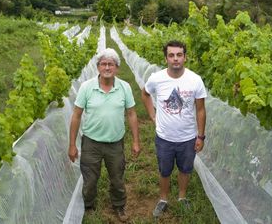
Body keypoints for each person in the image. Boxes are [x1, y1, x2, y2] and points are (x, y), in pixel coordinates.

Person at [68, 48, 140, 222]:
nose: (107, 67)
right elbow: (76, 115)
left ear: (117, 68)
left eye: (111, 64)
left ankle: (119, 205)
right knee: (90, 178)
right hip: (91, 143)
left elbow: (131, 114)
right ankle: (89, 205)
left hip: (115, 143)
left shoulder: (124, 87)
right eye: (103, 64)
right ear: (98, 67)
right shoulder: (87, 87)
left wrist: (136, 141)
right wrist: (72, 145)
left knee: (117, 177)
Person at [141, 40, 207, 218]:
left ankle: (181, 197)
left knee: (185, 169)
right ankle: (163, 199)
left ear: (185, 57)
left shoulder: (195, 80)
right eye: (171, 55)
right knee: (165, 170)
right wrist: (152, 115)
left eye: (179, 55)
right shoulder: (157, 78)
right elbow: (145, 93)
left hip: (187, 138)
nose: (175, 59)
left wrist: (200, 137)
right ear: (166, 58)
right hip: (164, 138)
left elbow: (200, 110)